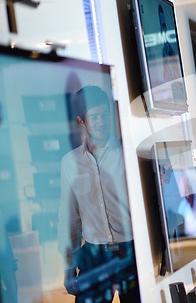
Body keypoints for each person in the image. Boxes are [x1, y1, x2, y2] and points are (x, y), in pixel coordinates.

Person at [57, 86, 140, 303]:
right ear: (81, 121)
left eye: (105, 115)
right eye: (94, 117)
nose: (102, 122)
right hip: (94, 256)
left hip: (131, 252)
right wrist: (69, 266)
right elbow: (70, 219)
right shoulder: (70, 162)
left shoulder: (128, 154)